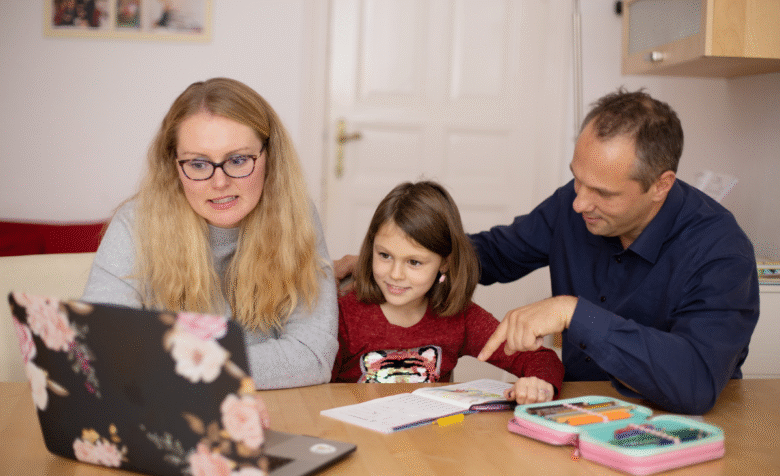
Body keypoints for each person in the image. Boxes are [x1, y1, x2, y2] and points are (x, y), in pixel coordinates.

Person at [336, 89, 760, 414]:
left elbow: (696, 383)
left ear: (661, 186)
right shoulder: (573, 206)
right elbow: (493, 253)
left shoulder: (721, 252)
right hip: (573, 412)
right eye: (577, 179)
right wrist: (413, 257)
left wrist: (576, 313)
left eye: (602, 193)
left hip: (672, 423)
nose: (579, 204)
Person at [82, 77, 338, 389]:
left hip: (275, 409)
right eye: (199, 164)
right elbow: (101, 351)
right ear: (173, 165)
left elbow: (312, 356)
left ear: (270, 157)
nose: (219, 183)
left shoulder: (297, 217)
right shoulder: (134, 225)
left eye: (239, 159)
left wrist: (167, 364)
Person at [332, 181, 564, 404]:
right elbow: (315, 389)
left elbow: (541, 358)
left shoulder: (460, 318)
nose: (395, 274)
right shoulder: (344, 316)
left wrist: (538, 385)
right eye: (385, 255)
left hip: (431, 441)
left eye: (414, 262)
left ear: (444, 263)